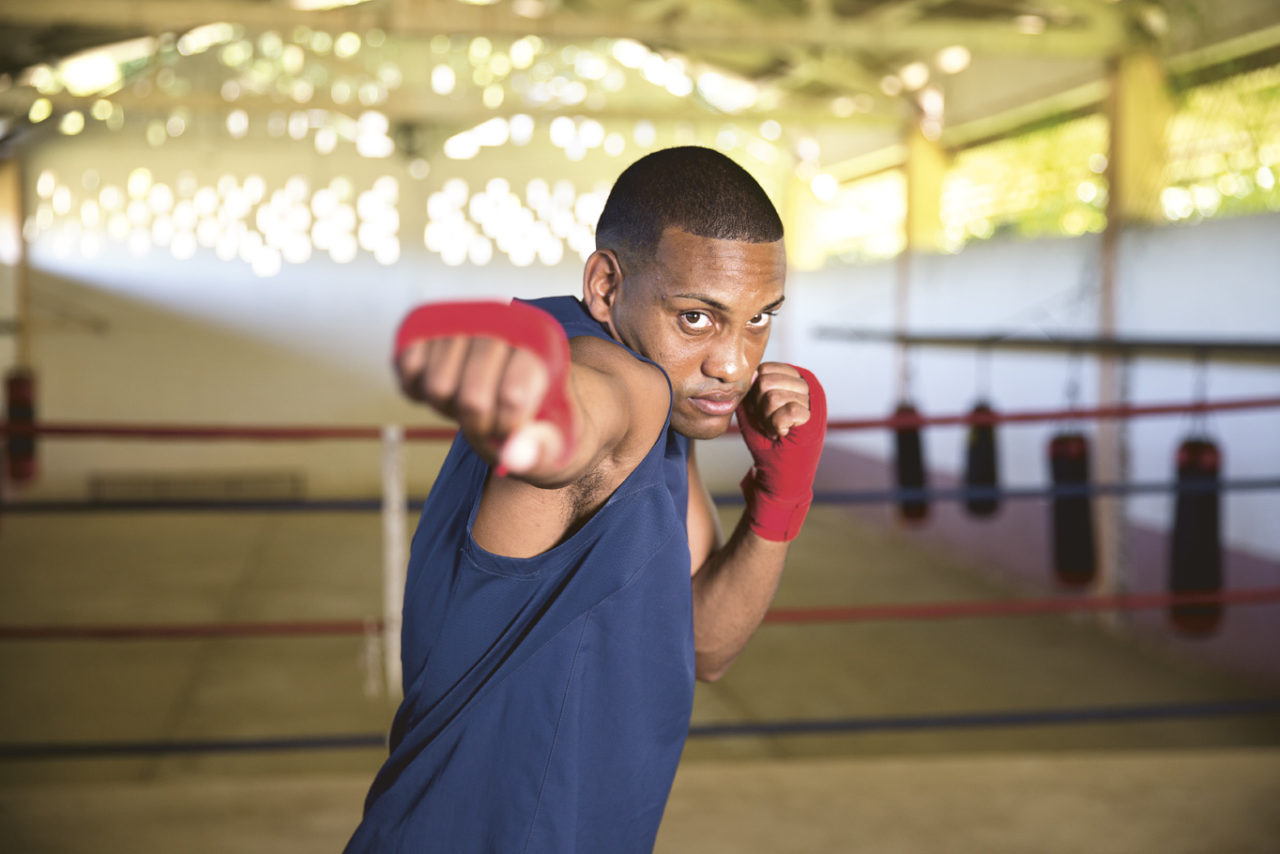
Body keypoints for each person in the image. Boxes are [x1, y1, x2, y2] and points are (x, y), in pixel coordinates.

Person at [345, 146, 827, 853]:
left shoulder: (671, 420)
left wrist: (779, 502)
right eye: (698, 317)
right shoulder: (624, 381)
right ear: (605, 286)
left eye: (758, 319)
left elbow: (705, 645)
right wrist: (530, 416)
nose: (735, 363)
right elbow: (580, 416)